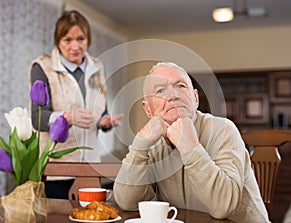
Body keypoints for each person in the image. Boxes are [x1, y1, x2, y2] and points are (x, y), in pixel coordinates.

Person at [113, 62, 270, 223]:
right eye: (160, 90)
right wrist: (140, 145)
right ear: (148, 110)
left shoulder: (223, 130)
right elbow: (128, 202)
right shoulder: (152, 143)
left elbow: (223, 207)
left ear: (195, 98)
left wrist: (190, 146)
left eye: (180, 86)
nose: (173, 95)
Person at [28, 10, 123, 199]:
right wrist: (67, 118)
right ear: (58, 41)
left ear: (88, 39)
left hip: (89, 168)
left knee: (91, 216)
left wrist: (104, 122)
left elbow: (100, 110)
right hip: (57, 170)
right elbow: (37, 119)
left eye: (81, 39)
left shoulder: (97, 66)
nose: (75, 46)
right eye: (67, 39)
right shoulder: (42, 67)